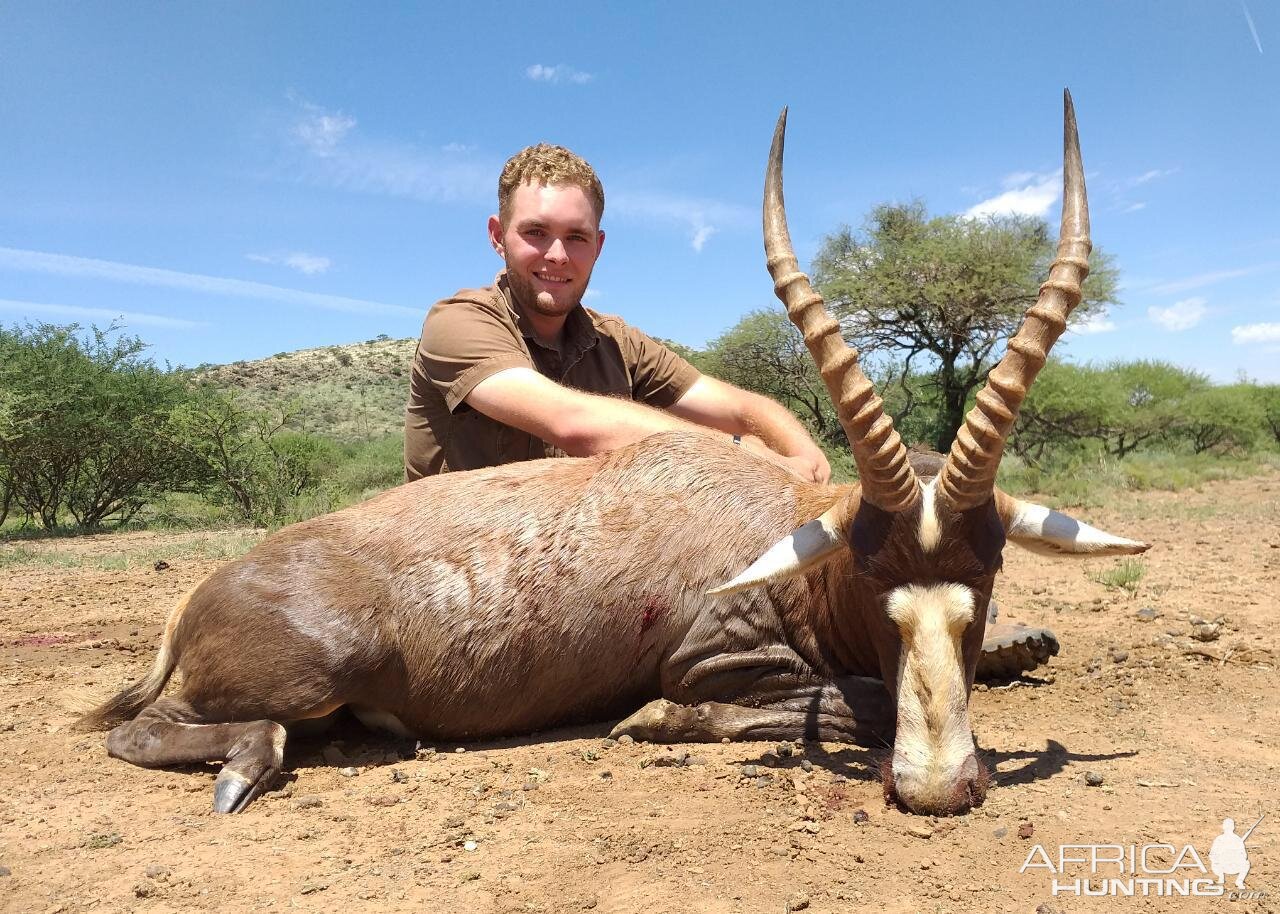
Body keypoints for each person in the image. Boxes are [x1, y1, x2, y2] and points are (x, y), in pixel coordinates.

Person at [404, 143, 830, 483]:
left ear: (598, 246)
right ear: (498, 236)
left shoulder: (616, 341)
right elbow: (572, 422)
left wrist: (803, 452)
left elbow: (735, 406)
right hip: (455, 576)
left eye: (576, 237)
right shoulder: (457, 322)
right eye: (536, 232)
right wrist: (739, 453)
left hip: (574, 572)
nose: (557, 255)